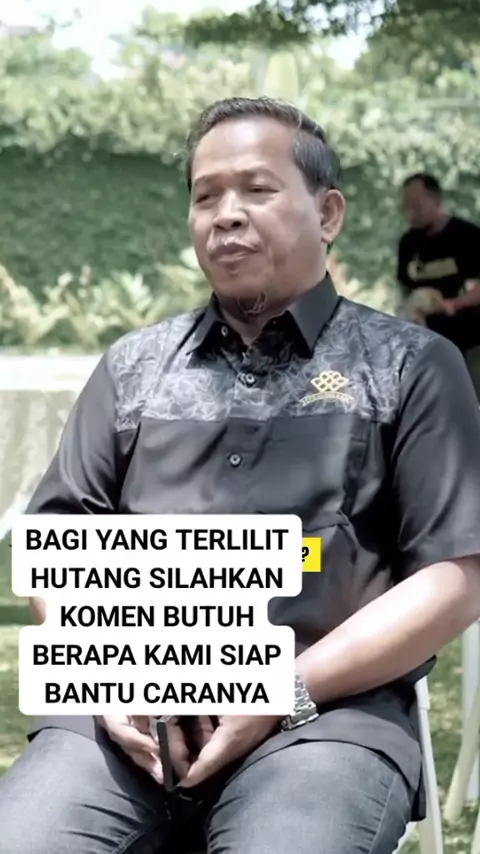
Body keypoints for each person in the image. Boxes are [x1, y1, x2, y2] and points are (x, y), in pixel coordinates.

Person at [1, 97, 480, 854]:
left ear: (327, 213)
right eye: (205, 196)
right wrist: (101, 674)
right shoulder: (132, 369)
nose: (226, 214)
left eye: (257, 189)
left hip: (324, 727)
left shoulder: (410, 367)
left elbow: (455, 573)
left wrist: (281, 691)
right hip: (125, 728)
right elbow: (56, 538)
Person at [397, 172, 480, 397]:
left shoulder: (469, 236)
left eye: (417, 205)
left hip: (472, 342)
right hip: (430, 349)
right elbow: (403, 290)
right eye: (406, 207)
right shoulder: (408, 244)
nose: (410, 213)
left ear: (437, 200)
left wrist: (455, 304)